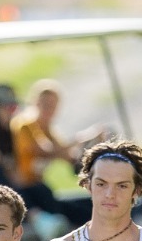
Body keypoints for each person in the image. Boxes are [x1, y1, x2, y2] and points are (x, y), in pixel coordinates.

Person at [9, 80, 107, 221]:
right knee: (67, 213)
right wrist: (83, 137)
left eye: (53, 106)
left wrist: (94, 147)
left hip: (38, 185)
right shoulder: (25, 125)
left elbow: (68, 157)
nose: (49, 110)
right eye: (46, 104)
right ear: (36, 102)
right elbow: (46, 151)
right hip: (24, 189)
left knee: (83, 209)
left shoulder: (47, 130)